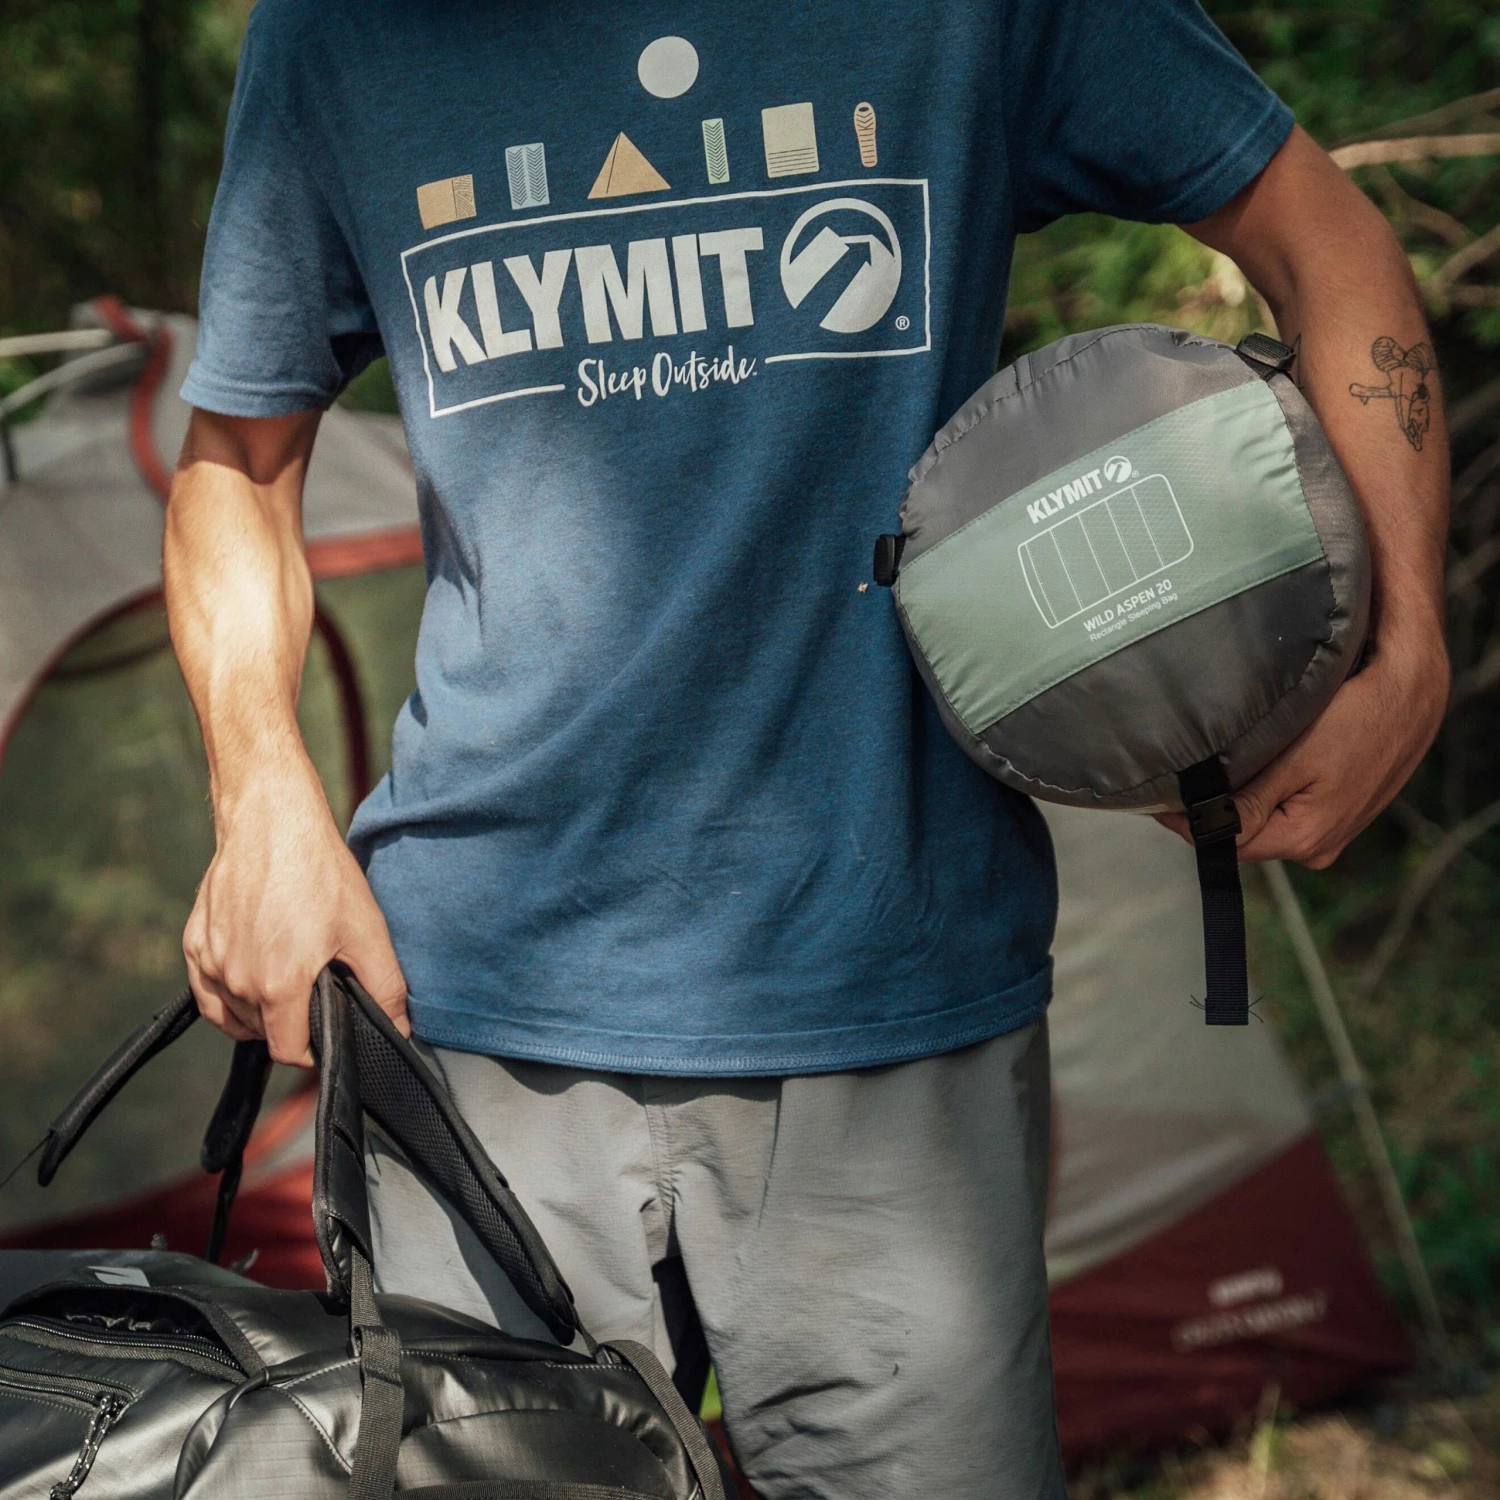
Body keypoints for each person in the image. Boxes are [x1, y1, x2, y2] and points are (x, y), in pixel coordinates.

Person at [165, 2, 1449, 1494]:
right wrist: (260, 801)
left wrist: (1408, 647)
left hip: (894, 1009)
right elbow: (237, 460)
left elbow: (1320, 232)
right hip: (466, 1025)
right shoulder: (343, 31)